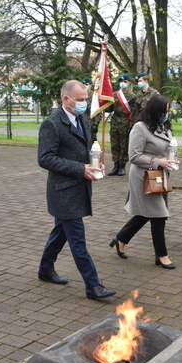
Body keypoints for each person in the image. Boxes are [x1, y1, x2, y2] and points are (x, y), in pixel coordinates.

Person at [37, 80, 115, 300]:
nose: (84, 104)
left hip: (79, 186)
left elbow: (87, 148)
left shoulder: (82, 118)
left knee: (61, 232)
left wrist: (96, 164)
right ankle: (93, 286)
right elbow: (45, 158)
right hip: (63, 191)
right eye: (80, 100)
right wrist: (80, 169)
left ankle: (45, 269)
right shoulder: (52, 124)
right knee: (77, 240)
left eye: (85, 99)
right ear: (66, 99)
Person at [110, 94, 177, 269]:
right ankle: (161, 255)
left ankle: (121, 239)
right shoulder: (140, 127)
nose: (165, 115)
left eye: (167, 111)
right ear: (154, 111)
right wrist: (158, 161)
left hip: (159, 175)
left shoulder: (164, 127)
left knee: (147, 213)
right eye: (163, 112)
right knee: (159, 214)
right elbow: (134, 156)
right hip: (144, 176)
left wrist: (170, 160)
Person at [106, 73, 136, 176]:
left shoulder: (132, 97)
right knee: (114, 144)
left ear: (129, 83)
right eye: (121, 81)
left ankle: (122, 166)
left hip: (126, 121)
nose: (123, 83)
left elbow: (134, 113)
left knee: (124, 145)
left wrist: (131, 126)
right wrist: (103, 103)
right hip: (115, 121)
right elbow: (109, 109)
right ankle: (116, 165)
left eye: (125, 81)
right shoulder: (114, 95)